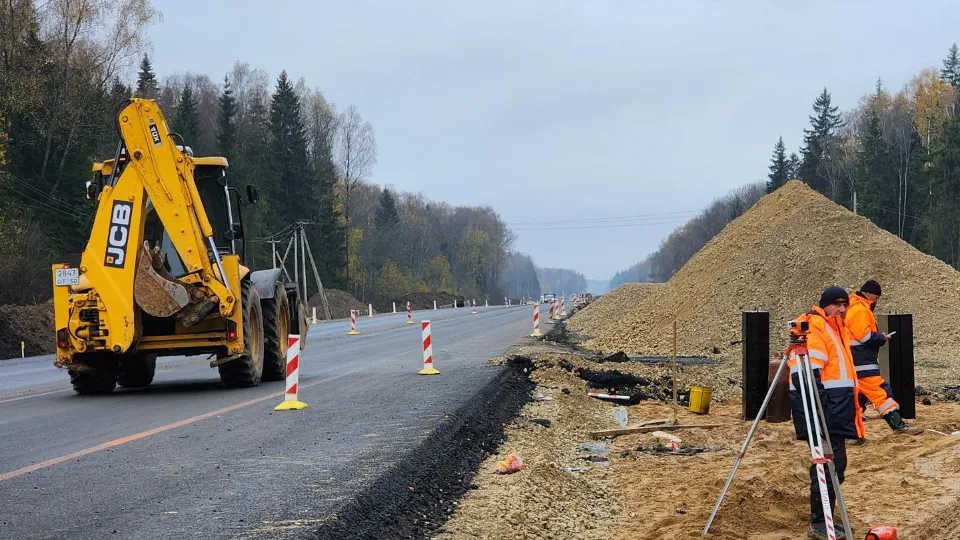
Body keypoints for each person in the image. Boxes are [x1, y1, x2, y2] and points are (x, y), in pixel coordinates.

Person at [788, 286, 863, 540]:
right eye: (837, 305)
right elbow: (806, 374)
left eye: (845, 305)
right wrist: (821, 411)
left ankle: (825, 519)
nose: (842, 309)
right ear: (826, 305)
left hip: (834, 410)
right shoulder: (818, 328)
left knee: (836, 465)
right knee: (828, 464)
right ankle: (819, 522)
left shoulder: (837, 329)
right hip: (822, 410)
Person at [845, 280, 921, 434]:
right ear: (869, 294)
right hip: (862, 362)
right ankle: (898, 425)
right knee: (880, 392)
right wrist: (881, 338)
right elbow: (864, 336)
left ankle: (851, 432)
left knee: (858, 395)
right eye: (876, 297)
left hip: (855, 361)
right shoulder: (860, 310)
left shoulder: (853, 307)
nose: (876, 301)